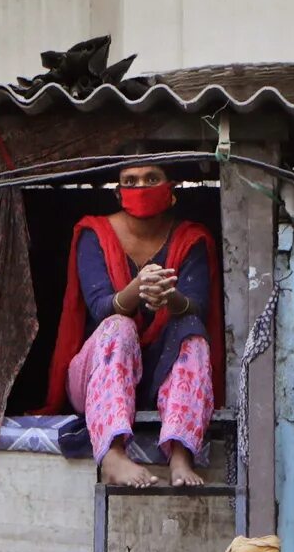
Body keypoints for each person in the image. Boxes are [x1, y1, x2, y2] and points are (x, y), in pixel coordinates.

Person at [43, 160, 222, 489]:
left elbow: (197, 305)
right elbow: (99, 306)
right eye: (131, 180)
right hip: (98, 374)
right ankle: (111, 453)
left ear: (171, 190)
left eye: (152, 178)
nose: (141, 187)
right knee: (118, 326)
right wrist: (137, 288)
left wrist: (170, 297)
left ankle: (181, 453)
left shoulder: (191, 239)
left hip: (156, 380)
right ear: (118, 192)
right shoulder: (94, 233)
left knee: (193, 335)